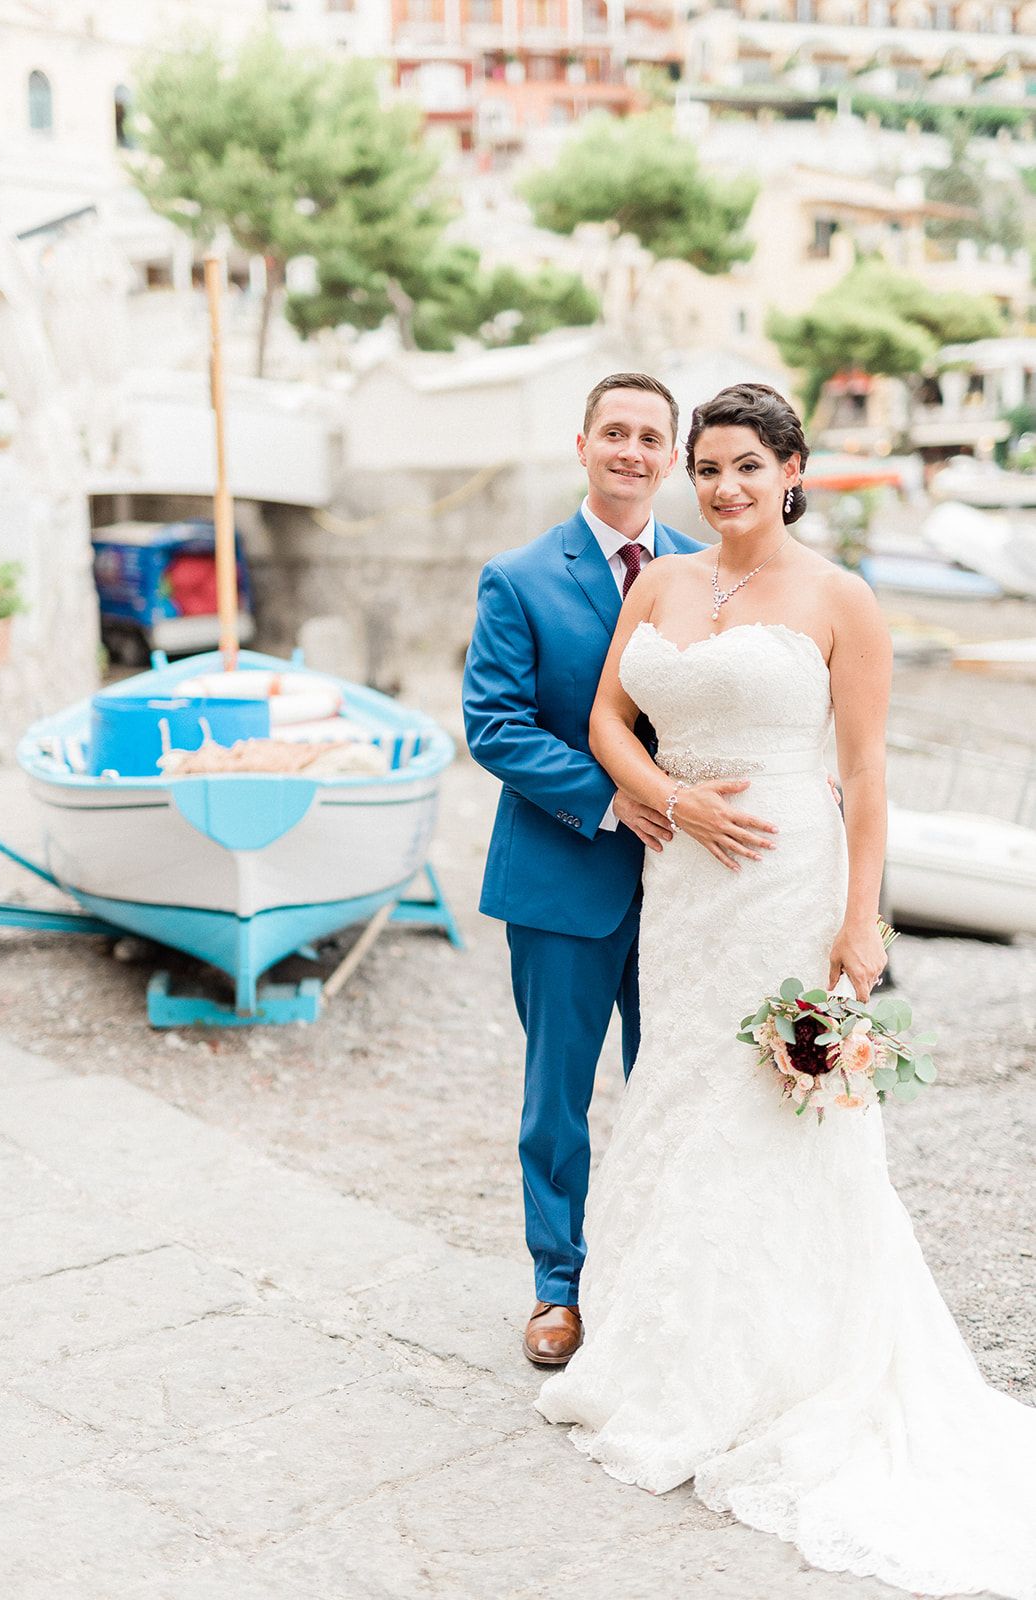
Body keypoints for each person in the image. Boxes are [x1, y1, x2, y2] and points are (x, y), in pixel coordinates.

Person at [535, 383, 1036, 1598]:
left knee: (778, 1110)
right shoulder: (658, 584)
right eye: (706, 468)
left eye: (748, 466)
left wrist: (863, 920)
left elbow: (866, 776)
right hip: (687, 881)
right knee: (674, 1093)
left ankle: (782, 1366)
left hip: (789, 886)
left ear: (793, 469)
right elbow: (607, 713)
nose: (723, 488)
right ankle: (665, 1346)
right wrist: (664, 793)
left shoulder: (839, 598)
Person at [463, 373, 782, 1367]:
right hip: (565, 873)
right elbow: (494, 725)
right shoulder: (518, 577)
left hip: (689, 883)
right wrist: (617, 798)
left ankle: (654, 1274)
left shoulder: (708, 567)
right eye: (616, 432)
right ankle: (558, 1288)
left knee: (675, 1083)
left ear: (670, 459)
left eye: (652, 437)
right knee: (558, 1097)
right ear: (584, 443)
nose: (633, 451)